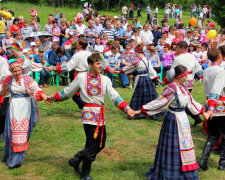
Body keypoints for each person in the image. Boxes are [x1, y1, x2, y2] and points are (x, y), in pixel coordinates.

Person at [46, 52, 135, 180]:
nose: (101, 66)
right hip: (89, 114)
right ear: (90, 65)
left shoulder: (105, 79)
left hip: (100, 115)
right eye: (97, 63)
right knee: (92, 145)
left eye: (101, 63)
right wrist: (53, 98)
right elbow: (69, 91)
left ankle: (76, 159)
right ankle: (85, 173)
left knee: (100, 144)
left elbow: (114, 96)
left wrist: (126, 108)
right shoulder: (81, 77)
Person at [135, 64, 209, 180]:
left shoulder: (184, 88)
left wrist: (203, 112)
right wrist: (143, 109)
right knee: (174, 146)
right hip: (173, 120)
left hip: (183, 120)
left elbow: (191, 101)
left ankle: (184, 173)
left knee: (185, 144)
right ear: (179, 76)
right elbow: (160, 102)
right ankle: (170, 173)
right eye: (185, 76)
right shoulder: (171, 89)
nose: (187, 78)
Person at [0, 62, 48, 169]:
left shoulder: (27, 79)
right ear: (11, 72)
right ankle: (10, 156)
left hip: (25, 107)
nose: (17, 73)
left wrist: (43, 96)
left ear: (21, 70)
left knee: (22, 133)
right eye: (15, 71)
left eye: (19, 71)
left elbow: (35, 88)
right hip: (13, 107)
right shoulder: (9, 80)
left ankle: (16, 160)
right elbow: (1, 90)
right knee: (11, 132)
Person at [164, 41, 204, 127]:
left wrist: (165, 81)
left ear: (182, 49)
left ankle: (195, 118)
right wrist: (204, 78)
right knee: (185, 100)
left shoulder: (178, 59)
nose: (176, 49)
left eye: (177, 48)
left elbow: (172, 72)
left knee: (183, 101)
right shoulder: (191, 56)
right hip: (190, 81)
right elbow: (198, 68)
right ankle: (195, 118)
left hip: (181, 80)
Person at [199, 47, 225, 171]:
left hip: (209, 104)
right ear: (219, 56)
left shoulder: (206, 70)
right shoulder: (220, 71)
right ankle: (222, 164)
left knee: (213, 135)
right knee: (224, 135)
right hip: (219, 106)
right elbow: (216, 90)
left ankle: (203, 160)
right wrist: (211, 107)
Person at [119, 44, 162, 119]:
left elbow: (129, 67)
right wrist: (158, 79)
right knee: (149, 95)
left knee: (138, 95)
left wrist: (120, 71)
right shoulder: (146, 59)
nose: (134, 53)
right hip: (147, 79)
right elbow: (151, 70)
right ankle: (150, 111)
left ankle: (137, 112)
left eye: (135, 52)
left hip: (140, 79)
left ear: (137, 52)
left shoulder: (137, 61)